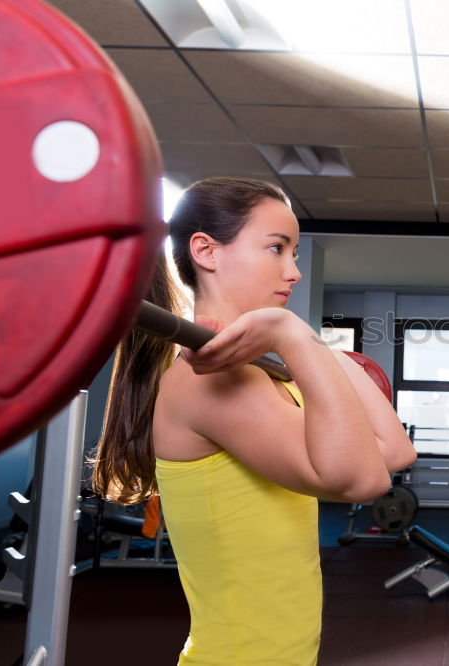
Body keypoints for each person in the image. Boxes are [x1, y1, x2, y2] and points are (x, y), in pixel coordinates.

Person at [92, 177, 416, 665]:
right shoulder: (213, 382)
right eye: (276, 248)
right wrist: (293, 335)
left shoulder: (267, 375)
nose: (294, 272)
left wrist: (312, 351)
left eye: (295, 254)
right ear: (206, 251)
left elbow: (394, 452)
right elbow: (364, 479)